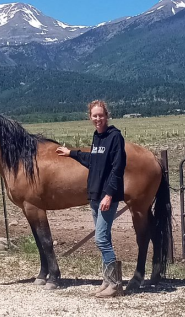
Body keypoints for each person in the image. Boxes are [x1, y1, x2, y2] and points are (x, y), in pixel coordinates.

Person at [56, 100, 126, 298]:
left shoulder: (115, 137)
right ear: (90, 117)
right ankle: (107, 280)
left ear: (107, 115)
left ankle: (115, 283)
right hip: (95, 196)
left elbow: (117, 168)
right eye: (94, 116)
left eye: (101, 115)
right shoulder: (97, 137)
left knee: (101, 239)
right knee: (105, 238)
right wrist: (71, 153)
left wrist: (109, 194)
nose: (98, 119)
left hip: (106, 197)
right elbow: (92, 160)